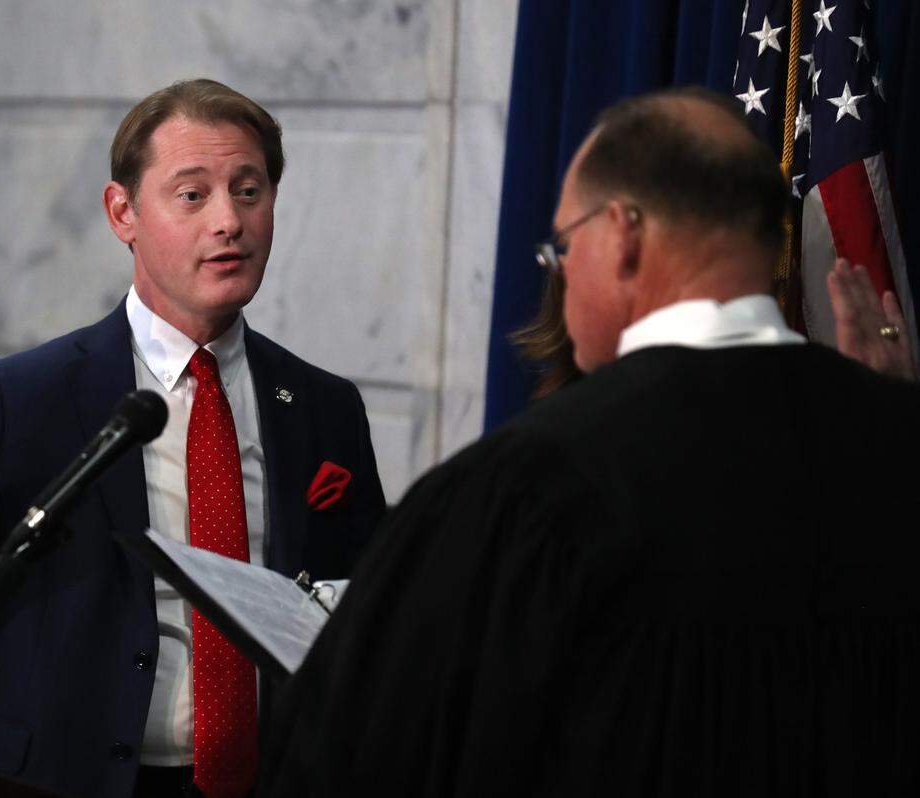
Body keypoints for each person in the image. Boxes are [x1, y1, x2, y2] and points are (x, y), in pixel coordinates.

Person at [258, 87, 920, 796]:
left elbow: (354, 761)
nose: (561, 274)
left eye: (564, 248)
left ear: (624, 234)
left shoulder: (524, 488)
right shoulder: (900, 444)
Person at [0, 78, 386, 798]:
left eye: (248, 191)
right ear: (122, 212)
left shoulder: (324, 406)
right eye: (192, 195)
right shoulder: (25, 399)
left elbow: (371, 616)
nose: (229, 220)